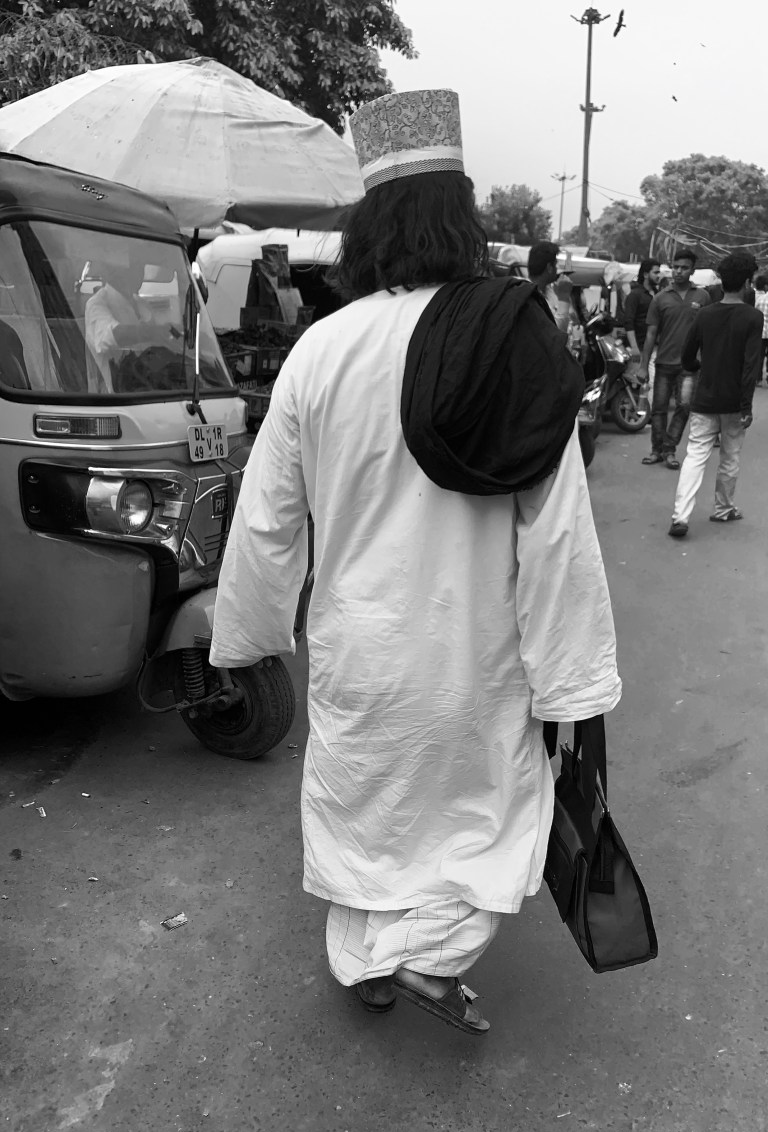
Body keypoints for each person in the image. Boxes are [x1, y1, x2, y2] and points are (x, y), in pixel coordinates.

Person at [209, 88, 621, 1036]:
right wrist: (571, 681)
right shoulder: (513, 344)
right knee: (485, 827)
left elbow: (268, 523)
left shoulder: (319, 351)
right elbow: (556, 533)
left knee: (366, 820)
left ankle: (368, 963)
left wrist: (249, 636)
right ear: (462, 219)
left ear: (370, 227)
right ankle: (423, 956)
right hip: (477, 657)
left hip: (359, 650)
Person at [668, 250, 762, 538]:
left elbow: (687, 356)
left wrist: (698, 367)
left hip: (705, 398)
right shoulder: (753, 317)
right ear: (747, 282)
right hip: (733, 402)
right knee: (730, 458)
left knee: (695, 456)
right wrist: (746, 405)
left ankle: (680, 517)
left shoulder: (704, 314)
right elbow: (751, 366)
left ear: (722, 281)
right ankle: (723, 509)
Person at [637, 248, 710, 470]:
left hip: (690, 365)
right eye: (676, 267)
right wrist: (642, 366)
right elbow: (651, 334)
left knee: (684, 407)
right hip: (663, 363)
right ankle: (656, 450)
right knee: (658, 408)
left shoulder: (703, 297)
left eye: (684, 268)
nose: (679, 271)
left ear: (692, 270)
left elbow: (708, 333)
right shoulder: (660, 298)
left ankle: (669, 449)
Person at [85, 256, 177, 389]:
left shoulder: (142, 303)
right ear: (116, 272)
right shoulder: (97, 303)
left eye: (141, 268)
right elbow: (110, 336)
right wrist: (149, 332)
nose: (139, 275)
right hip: (115, 394)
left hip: (149, 385)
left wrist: (175, 333)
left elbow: (159, 339)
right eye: (134, 268)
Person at [622, 258, 661, 362]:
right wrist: (634, 347)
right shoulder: (635, 295)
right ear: (646, 274)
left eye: (659, 272)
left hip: (656, 347)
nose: (658, 276)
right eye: (655, 272)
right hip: (639, 347)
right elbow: (628, 321)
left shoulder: (659, 295)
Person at [527, 240, 571, 329]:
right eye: (555, 264)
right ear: (549, 267)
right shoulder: (528, 296)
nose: (557, 269)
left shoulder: (550, 290)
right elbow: (555, 331)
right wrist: (564, 298)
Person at [753, 275, 768, 384]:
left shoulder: (760, 299)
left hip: (761, 332)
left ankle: (757, 378)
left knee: (759, 356)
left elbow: (755, 313)